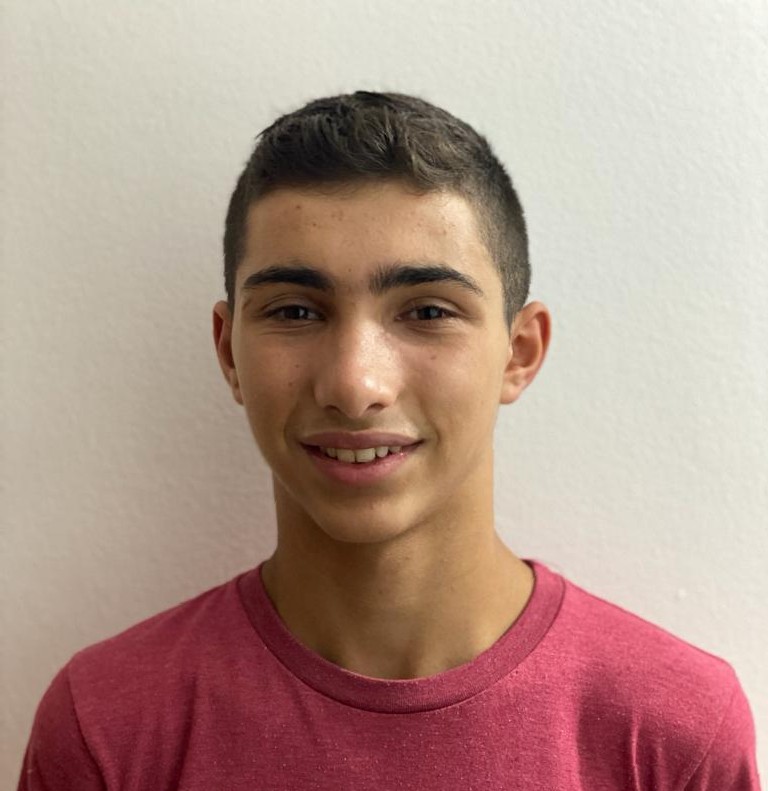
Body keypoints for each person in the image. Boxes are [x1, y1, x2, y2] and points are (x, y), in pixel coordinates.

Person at [18, 91, 760, 790]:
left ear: (519, 351)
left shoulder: (673, 734)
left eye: (428, 311)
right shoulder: (106, 726)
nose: (355, 383)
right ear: (228, 351)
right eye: (296, 312)